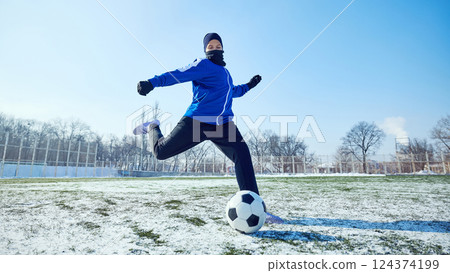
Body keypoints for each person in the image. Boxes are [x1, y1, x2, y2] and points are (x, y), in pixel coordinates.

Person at [136, 33, 283, 223]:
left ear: (222, 48)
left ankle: (257, 207)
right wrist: (152, 82)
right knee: (160, 152)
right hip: (197, 121)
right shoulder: (203, 65)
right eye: (210, 47)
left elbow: (232, 92)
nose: (214, 49)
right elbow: (177, 74)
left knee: (243, 155)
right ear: (205, 50)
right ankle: (153, 126)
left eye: (217, 46)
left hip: (222, 124)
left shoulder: (226, 74)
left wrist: (249, 86)